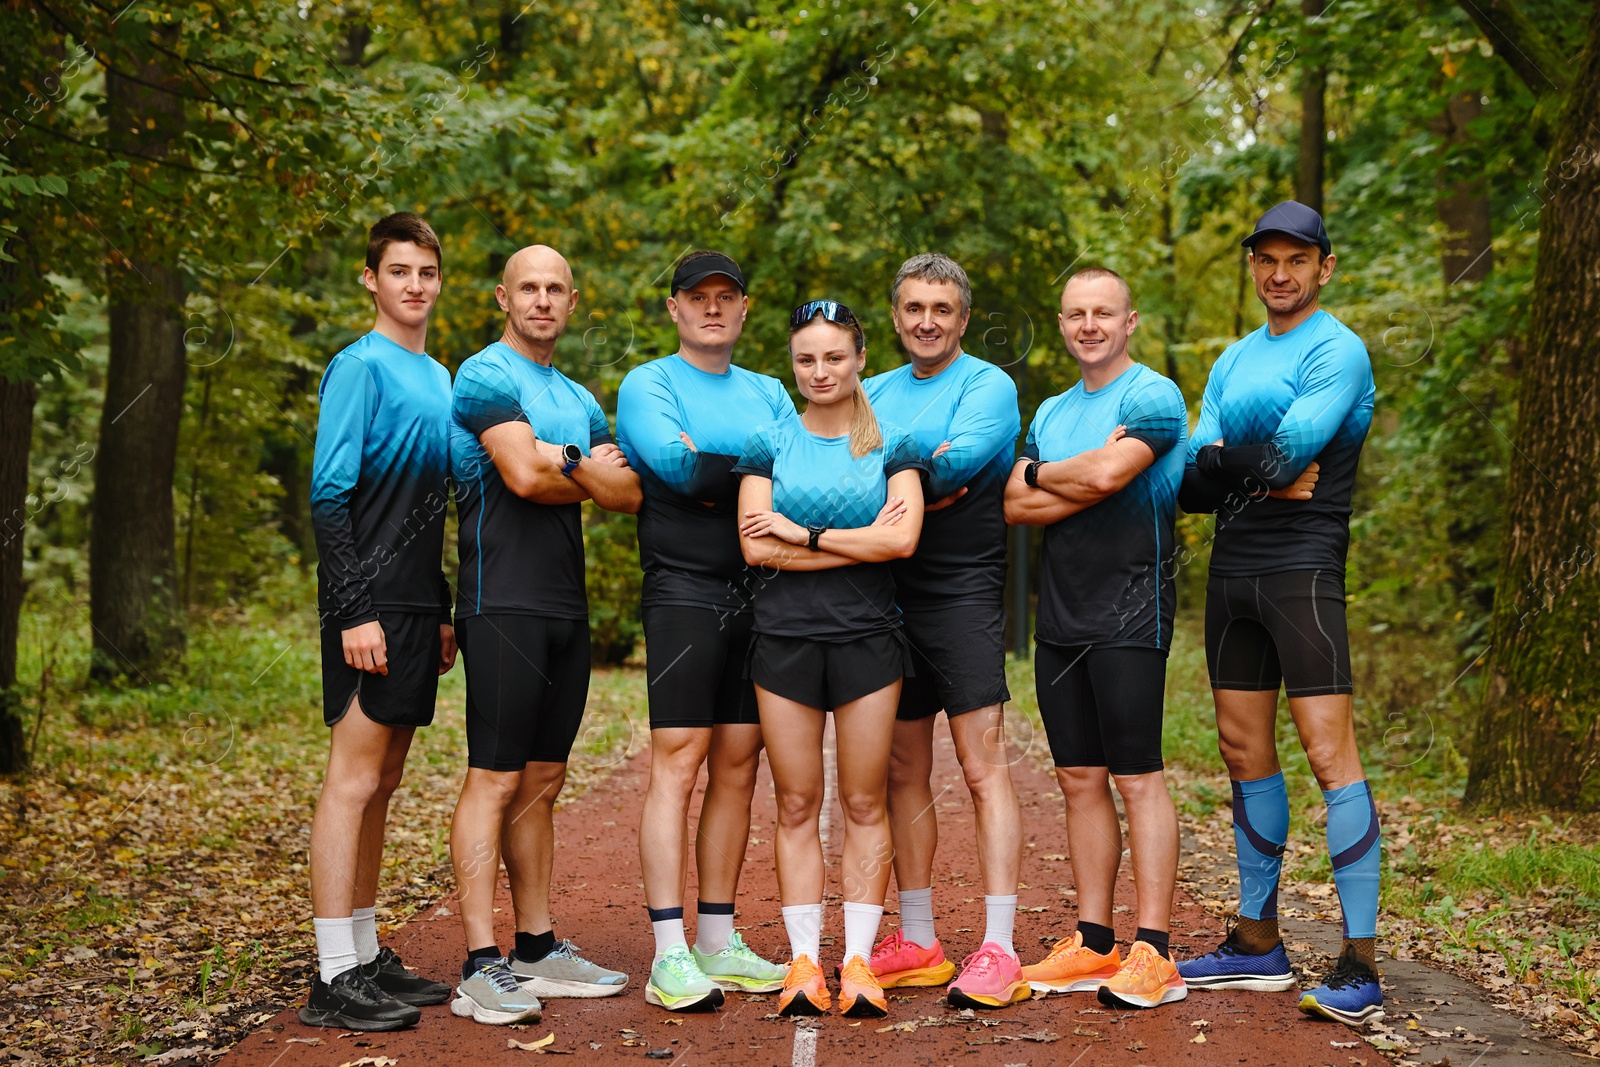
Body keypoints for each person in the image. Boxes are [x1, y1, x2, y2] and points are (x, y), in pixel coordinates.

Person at [1175, 201, 1382, 1028]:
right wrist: (1239, 467)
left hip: (1303, 568)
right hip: (1233, 573)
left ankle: (1361, 963)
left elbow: (1294, 455)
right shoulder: (1231, 361)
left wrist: (1232, 464)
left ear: (1323, 267)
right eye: (1267, 259)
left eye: (1297, 259)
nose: (1280, 273)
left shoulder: (1339, 349)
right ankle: (1258, 940)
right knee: (1239, 746)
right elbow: (1189, 483)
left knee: (1330, 753)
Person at [446, 245, 642, 1025]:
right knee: (493, 777)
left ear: (570, 298)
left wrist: (555, 457)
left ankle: (536, 945)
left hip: (565, 606)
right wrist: (574, 463)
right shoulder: (484, 375)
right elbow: (523, 478)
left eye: (555, 287)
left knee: (543, 781)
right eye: (528, 287)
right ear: (503, 296)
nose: (541, 299)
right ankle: (477, 962)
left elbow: (626, 493)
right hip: (502, 602)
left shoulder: (579, 394)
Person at [734, 300, 926, 1019]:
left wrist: (804, 534)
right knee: (795, 802)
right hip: (782, 639)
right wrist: (852, 536)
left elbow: (900, 543)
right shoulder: (768, 440)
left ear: (859, 359)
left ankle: (859, 961)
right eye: (807, 358)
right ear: (793, 361)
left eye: (835, 357)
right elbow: (756, 547)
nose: (821, 370)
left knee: (865, 800)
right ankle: (805, 961)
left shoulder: (893, 440)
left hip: (869, 639)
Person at [1004, 267, 1189, 1010]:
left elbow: (1114, 474)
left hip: (1131, 610)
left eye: (1103, 313)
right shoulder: (1049, 408)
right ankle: (1093, 939)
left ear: (1129, 320)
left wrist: (1051, 477)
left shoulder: (1153, 394)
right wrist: (1057, 476)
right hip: (1063, 618)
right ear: (1061, 322)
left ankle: (1156, 951)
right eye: (1077, 314)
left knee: (1136, 776)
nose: (1090, 325)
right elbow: (1015, 503)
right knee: (1079, 779)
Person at [616, 251, 795, 1012]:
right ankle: (669, 952)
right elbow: (677, 472)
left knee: (738, 761)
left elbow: (810, 469)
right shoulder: (647, 383)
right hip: (683, 590)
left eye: (726, 297)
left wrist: (717, 467)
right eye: (699, 297)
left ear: (745, 308)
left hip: (761, 591)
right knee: (679, 761)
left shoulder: (770, 389)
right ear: (675, 308)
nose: (712, 308)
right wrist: (759, 468)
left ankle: (718, 939)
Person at [858, 254, 1029, 1010]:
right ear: (895, 317)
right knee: (901, 767)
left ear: (962, 318)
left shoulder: (989, 385)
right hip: (883, 592)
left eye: (943, 308)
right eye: (914, 307)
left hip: (961, 592)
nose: (927, 320)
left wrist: (886, 475)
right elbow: (837, 466)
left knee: (982, 764)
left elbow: (956, 467)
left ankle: (1000, 946)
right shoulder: (870, 391)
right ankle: (920, 938)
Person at [303, 212, 456, 1031]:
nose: (414, 285)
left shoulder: (437, 378)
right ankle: (332, 975)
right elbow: (329, 496)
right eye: (399, 271)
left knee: (385, 782)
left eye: (426, 273)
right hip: (365, 607)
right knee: (352, 780)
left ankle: (362, 954)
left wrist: (435, 609)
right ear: (372, 278)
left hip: (412, 604)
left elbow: (430, 507)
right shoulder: (357, 367)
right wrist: (354, 610)